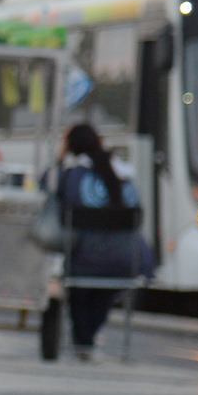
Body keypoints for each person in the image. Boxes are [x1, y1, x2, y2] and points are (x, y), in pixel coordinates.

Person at [50, 123, 149, 359]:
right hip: (125, 259)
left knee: (79, 293)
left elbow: (50, 192)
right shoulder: (124, 175)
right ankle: (88, 342)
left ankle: (83, 343)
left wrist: (59, 160)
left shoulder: (72, 175)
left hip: (83, 257)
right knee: (103, 291)